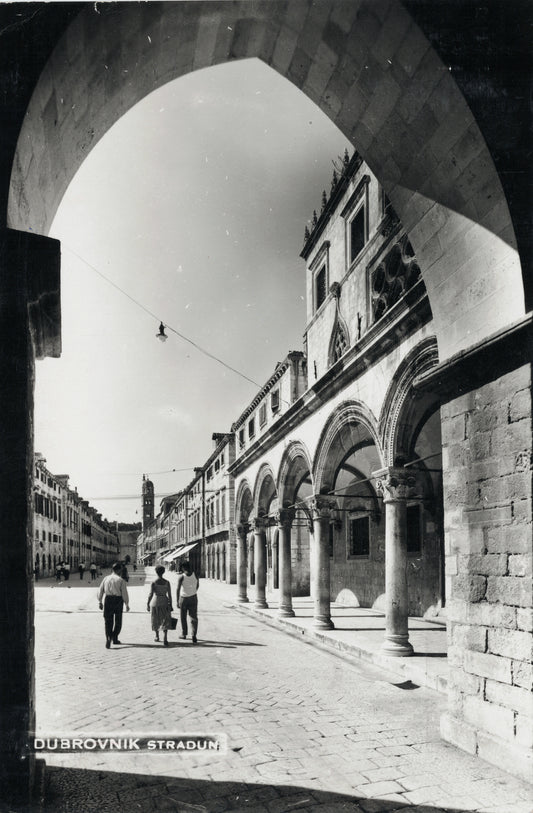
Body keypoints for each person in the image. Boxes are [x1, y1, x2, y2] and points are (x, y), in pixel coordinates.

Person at [97, 562, 130, 648]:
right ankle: (115, 637)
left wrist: (100, 601)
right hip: (118, 600)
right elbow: (124, 593)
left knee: (108, 620)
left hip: (108, 599)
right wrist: (127, 604)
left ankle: (108, 638)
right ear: (119, 570)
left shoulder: (106, 578)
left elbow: (100, 590)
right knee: (118, 620)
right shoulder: (121, 580)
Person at [146, 565, 173, 646]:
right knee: (166, 619)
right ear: (163, 572)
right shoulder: (167, 582)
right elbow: (170, 595)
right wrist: (171, 605)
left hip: (156, 601)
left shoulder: (154, 582)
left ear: (156, 572)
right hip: (164, 601)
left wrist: (147, 603)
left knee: (156, 619)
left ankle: (157, 636)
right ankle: (165, 637)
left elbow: (150, 594)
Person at [176, 561, 199, 644]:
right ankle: (194, 635)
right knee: (194, 617)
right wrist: (192, 592)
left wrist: (177, 600)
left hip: (184, 598)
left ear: (183, 568)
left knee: (183, 617)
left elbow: (178, 589)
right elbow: (197, 585)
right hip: (193, 597)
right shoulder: (195, 574)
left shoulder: (181, 577)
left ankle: (184, 634)